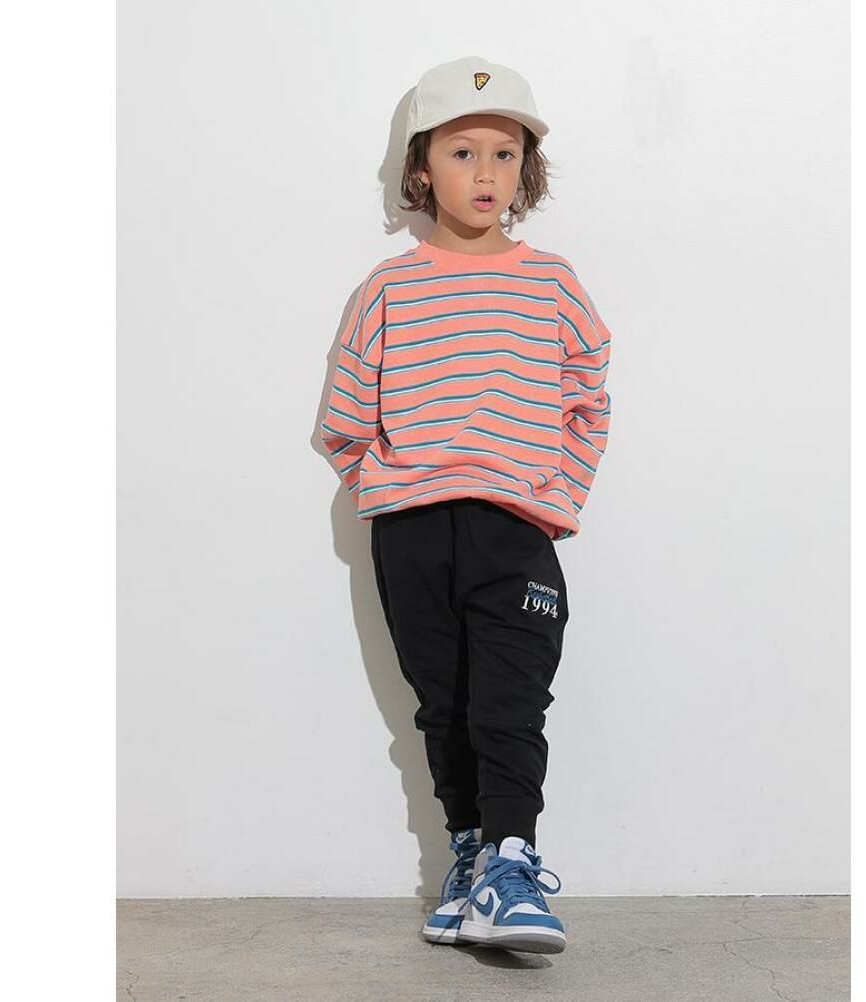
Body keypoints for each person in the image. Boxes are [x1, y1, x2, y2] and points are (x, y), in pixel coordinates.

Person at [318, 55, 613, 955]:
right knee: (442, 705)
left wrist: (556, 495)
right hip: (410, 535)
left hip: (516, 529)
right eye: (461, 152)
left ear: (527, 169)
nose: (485, 173)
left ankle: (512, 862)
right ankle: (469, 858)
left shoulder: (552, 284)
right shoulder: (388, 290)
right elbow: (344, 423)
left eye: (504, 153)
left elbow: (589, 399)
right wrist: (389, 491)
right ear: (421, 168)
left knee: (510, 702)